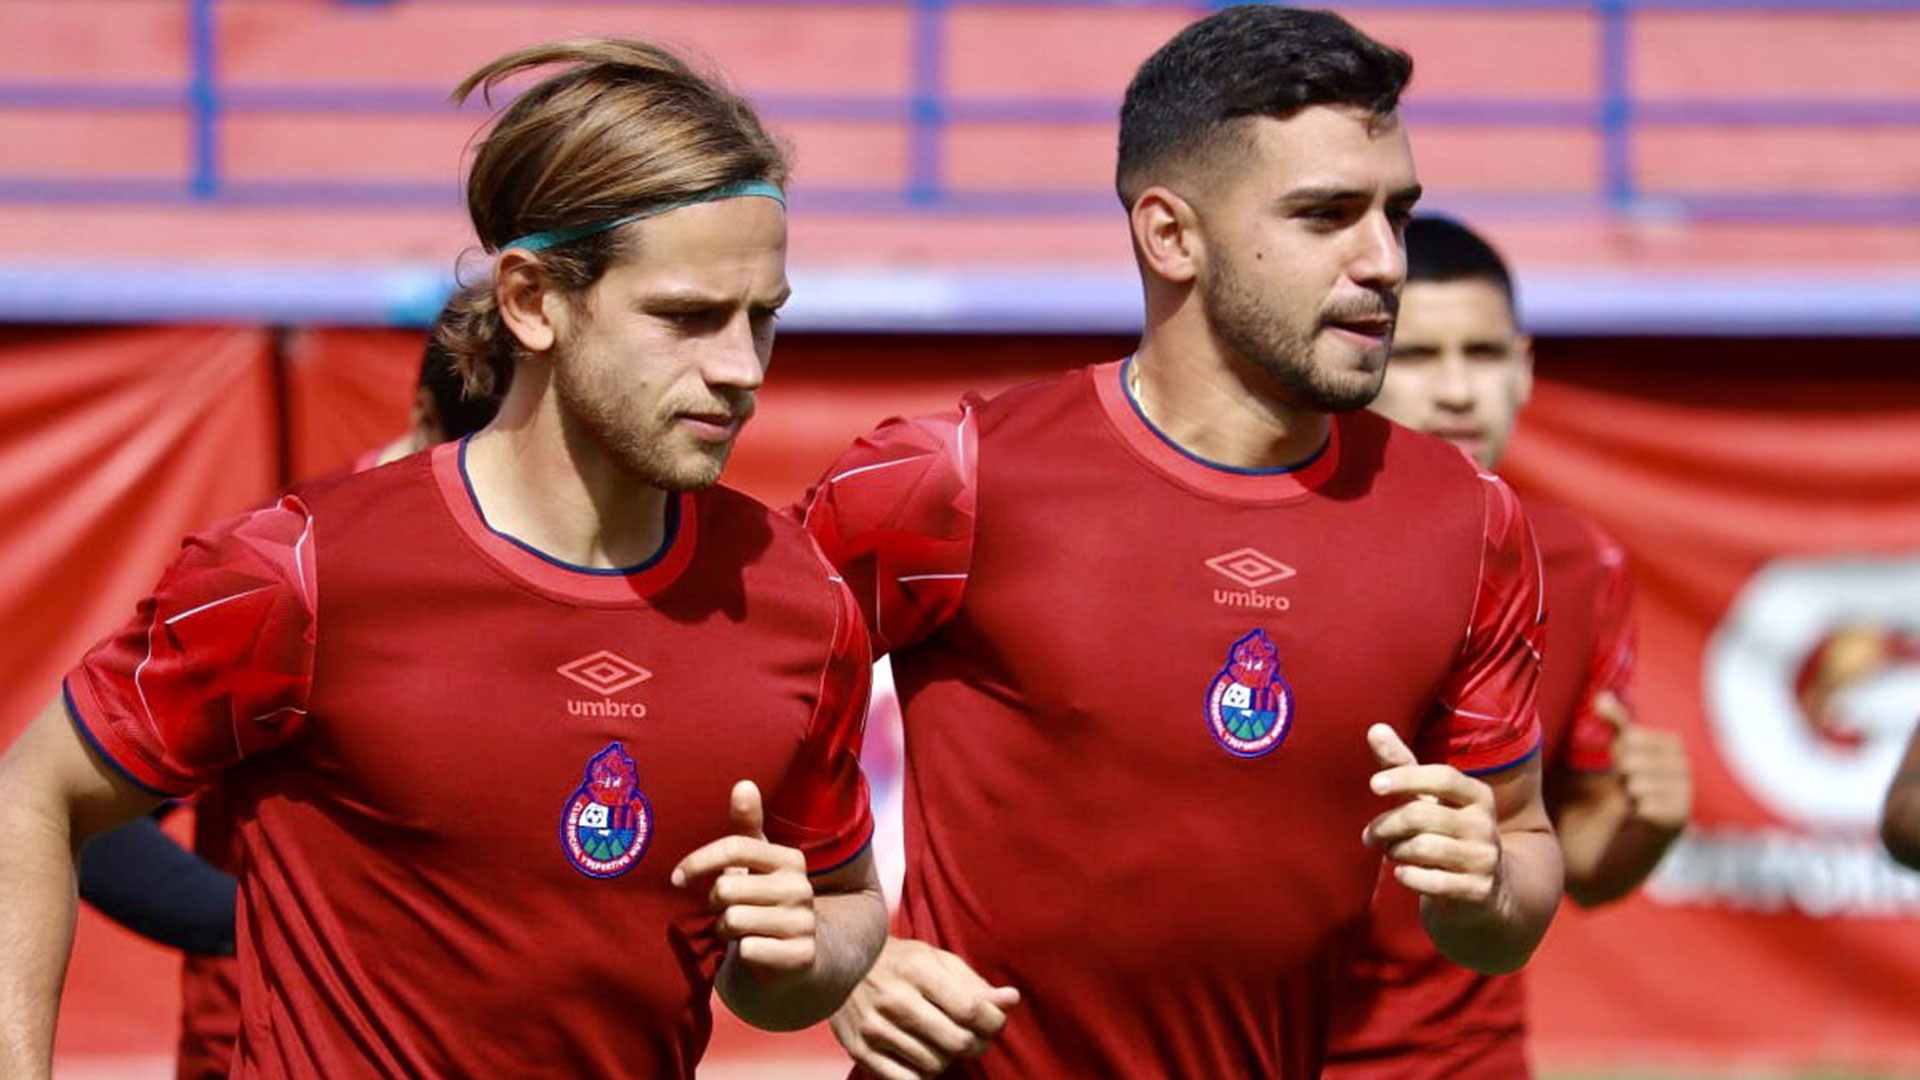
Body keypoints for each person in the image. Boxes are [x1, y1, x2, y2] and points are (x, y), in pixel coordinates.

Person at [0, 38, 886, 1079]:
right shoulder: (304, 569)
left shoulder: (794, 599)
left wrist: (804, 957)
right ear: (530, 301)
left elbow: (842, 911)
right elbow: (35, 798)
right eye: (687, 318)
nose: (741, 368)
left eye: (763, 320)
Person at [796, 8, 1563, 1078]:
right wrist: (846, 952)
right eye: (1328, 214)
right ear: (1170, 235)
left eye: (1397, 212)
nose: (1386, 261)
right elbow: (705, 708)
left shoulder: (1468, 520)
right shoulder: (949, 476)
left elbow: (1518, 873)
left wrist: (1486, 884)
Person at [1328, 214, 1693, 1080]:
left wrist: (1650, 824)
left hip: (1455, 1059)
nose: (1457, 391)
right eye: (1417, 357)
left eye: (1484, 355)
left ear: (1526, 369)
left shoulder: (1580, 562)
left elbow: (1578, 863)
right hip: (1240, 1049)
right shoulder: (1266, 546)